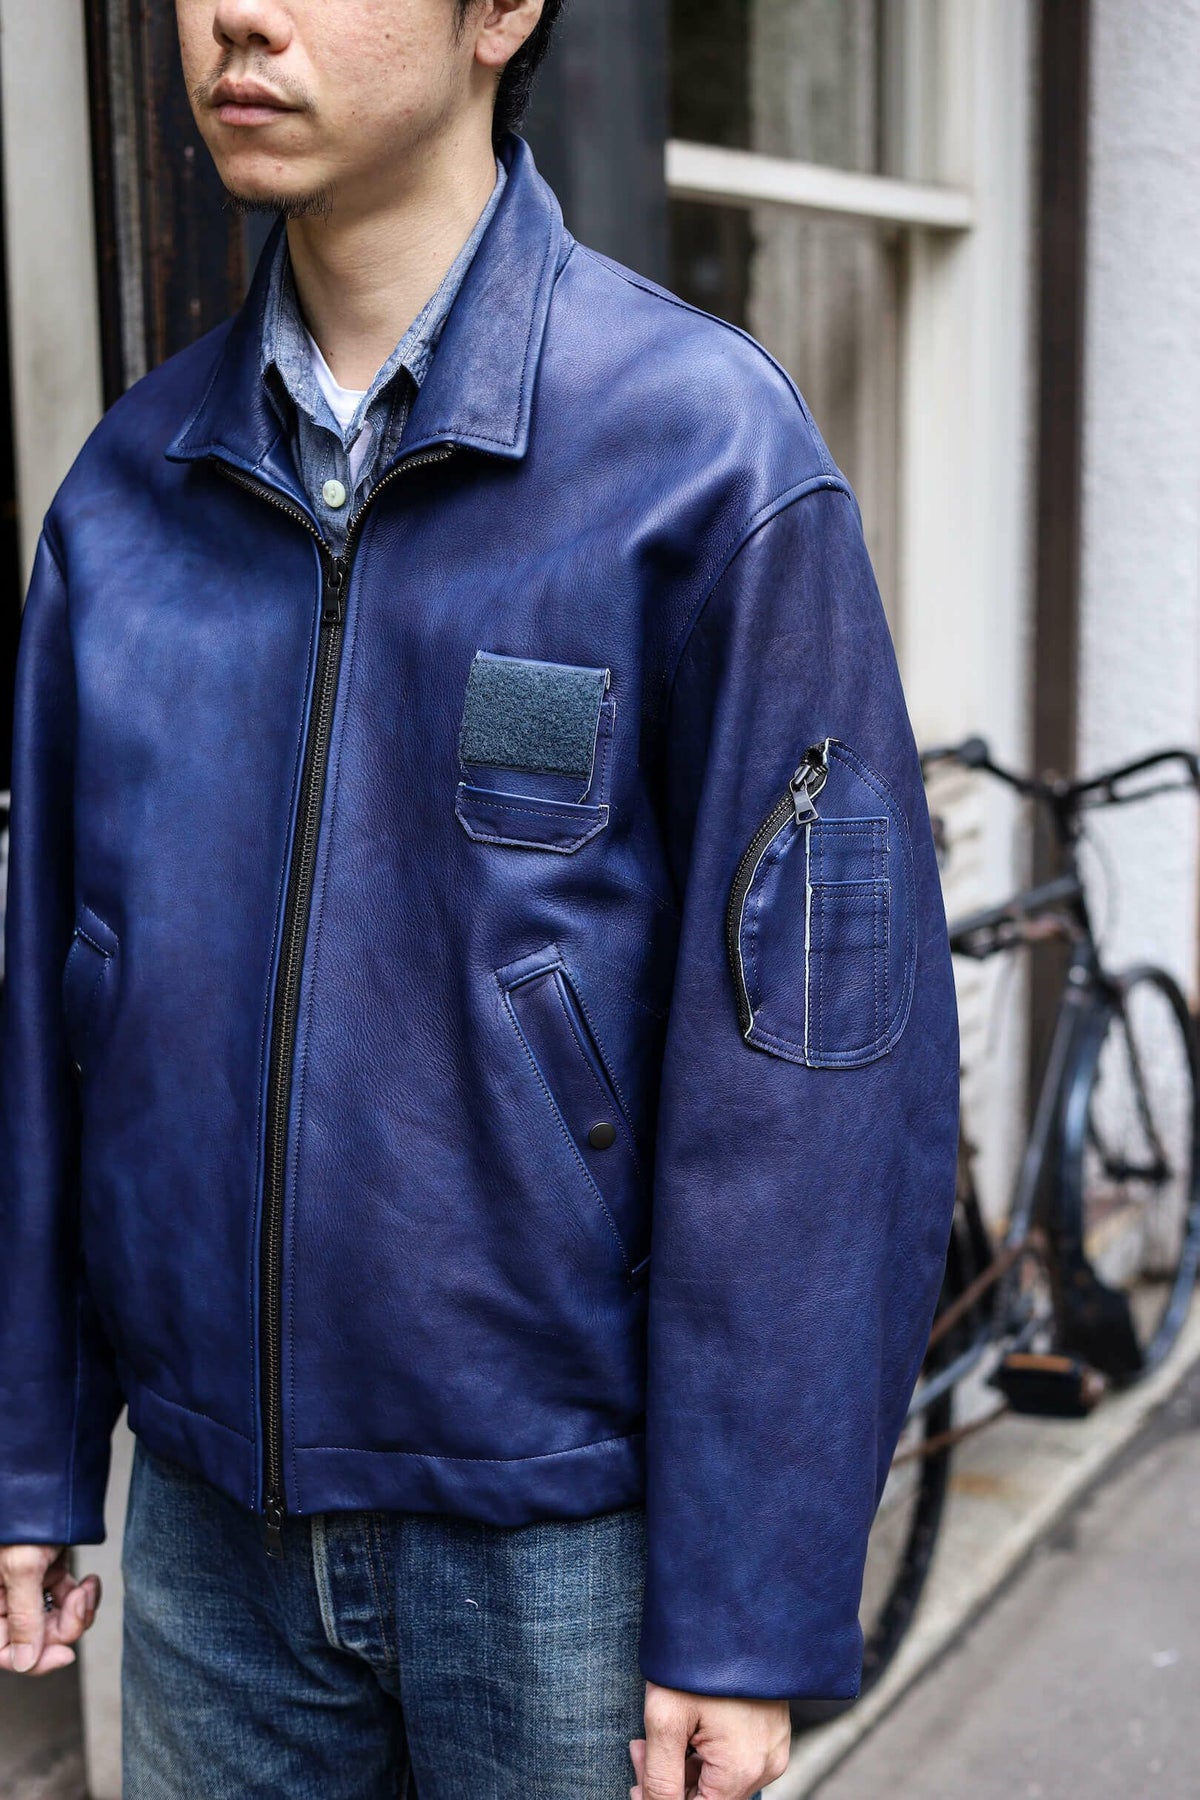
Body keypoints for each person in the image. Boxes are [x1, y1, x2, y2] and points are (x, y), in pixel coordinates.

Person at [0, 2, 960, 1796]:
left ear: (502, 10)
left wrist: (742, 1610)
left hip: (568, 1541)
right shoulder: (129, 496)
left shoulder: (702, 458)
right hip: (207, 1533)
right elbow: (58, 1005)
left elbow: (820, 1081)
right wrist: (35, 1453)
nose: (239, 16)